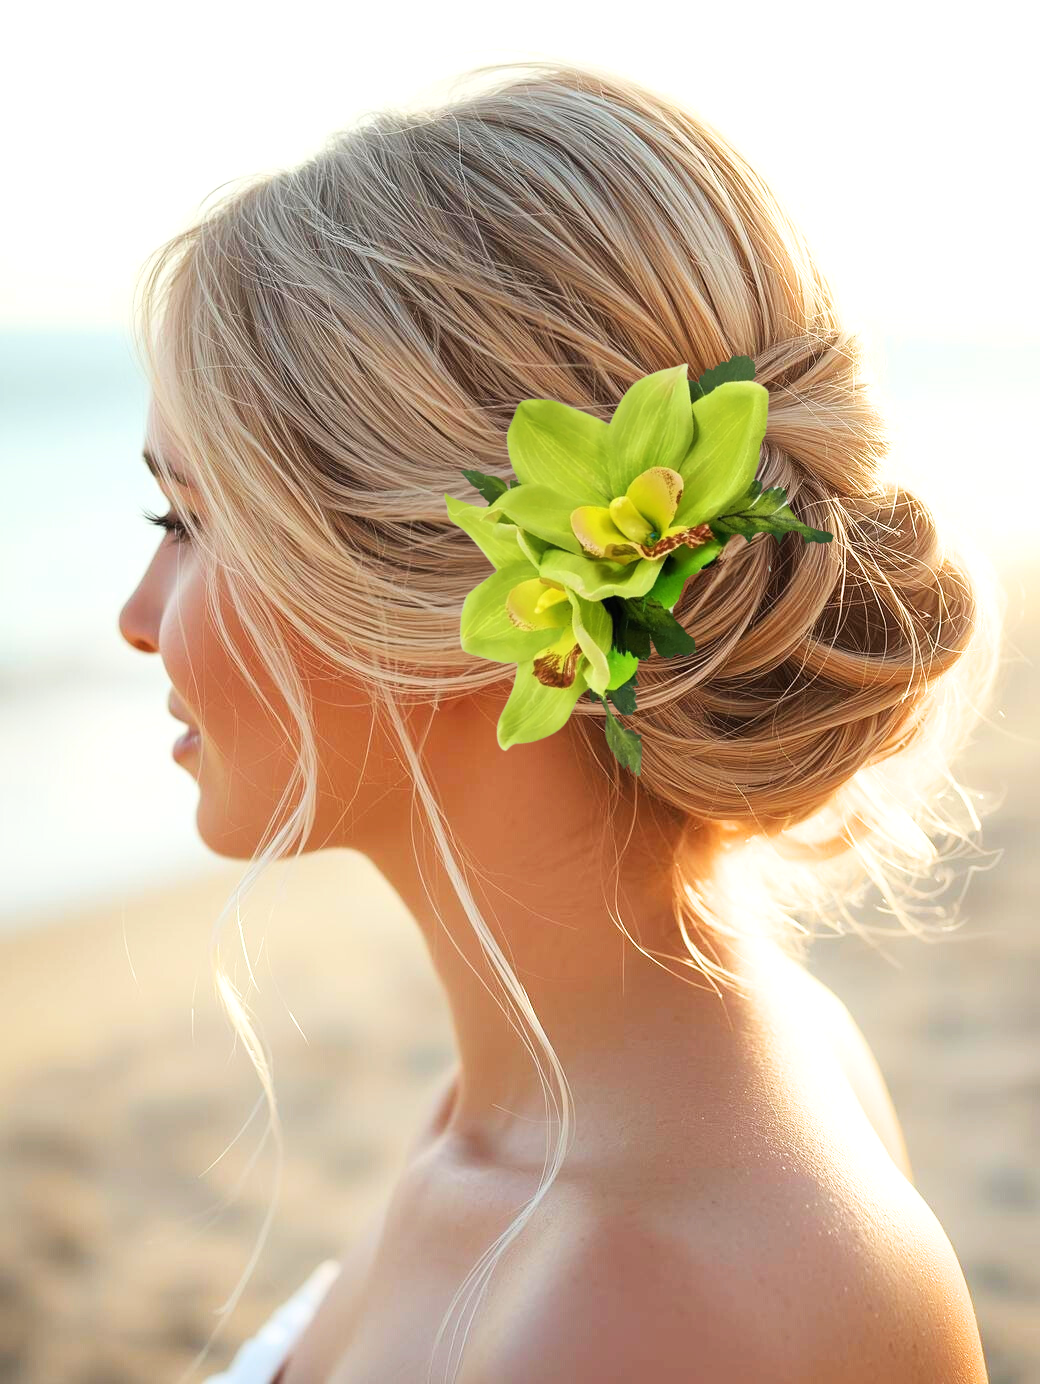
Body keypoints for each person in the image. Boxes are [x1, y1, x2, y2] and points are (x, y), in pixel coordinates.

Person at [118, 59, 1001, 1384]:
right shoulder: (550, 1115)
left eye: (186, 521)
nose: (137, 615)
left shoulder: (642, 1314)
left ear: (460, 584)